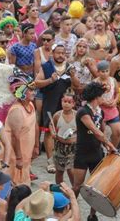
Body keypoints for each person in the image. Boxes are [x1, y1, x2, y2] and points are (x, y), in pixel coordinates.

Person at [72, 82, 116, 221]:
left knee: (96, 188)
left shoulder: (100, 112)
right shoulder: (83, 112)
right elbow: (96, 131)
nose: (104, 98)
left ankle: (92, 215)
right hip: (82, 153)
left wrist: (105, 145)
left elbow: (102, 130)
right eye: (102, 96)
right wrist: (109, 144)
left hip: (96, 152)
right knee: (77, 186)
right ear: (97, 96)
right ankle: (69, 211)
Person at [35, 43, 80, 174]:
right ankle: (50, 161)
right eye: (58, 53)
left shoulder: (69, 67)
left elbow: (77, 86)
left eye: (63, 53)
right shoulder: (46, 66)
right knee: (50, 131)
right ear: (53, 54)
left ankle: (66, 158)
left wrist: (72, 76)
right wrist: (50, 80)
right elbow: (37, 83)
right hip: (50, 102)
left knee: (68, 130)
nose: (60, 55)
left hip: (66, 103)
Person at [51, 90, 77, 185]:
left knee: (71, 170)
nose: (66, 104)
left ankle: (75, 189)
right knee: (59, 171)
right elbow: (51, 125)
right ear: (61, 102)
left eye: (69, 102)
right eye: (64, 101)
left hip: (73, 148)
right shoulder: (57, 115)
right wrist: (53, 132)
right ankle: (59, 189)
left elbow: (82, 130)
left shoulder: (77, 115)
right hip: (59, 147)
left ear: (73, 104)